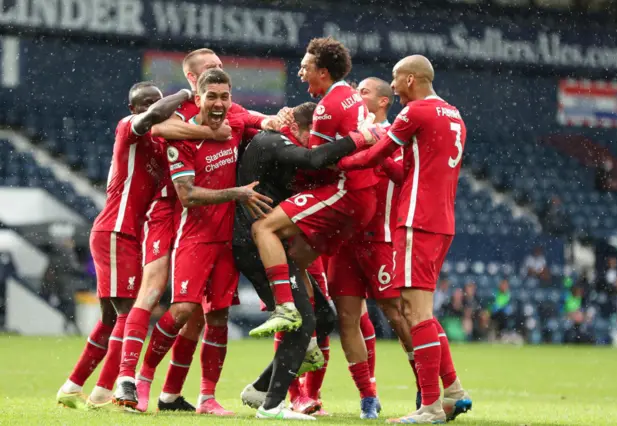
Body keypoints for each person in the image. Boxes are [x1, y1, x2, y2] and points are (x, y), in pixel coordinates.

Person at [117, 48, 280, 412]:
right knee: (181, 309)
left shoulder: (234, 118)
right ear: (194, 85)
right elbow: (186, 193)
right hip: (193, 233)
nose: (220, 101)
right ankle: (139, 379)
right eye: (212, 89)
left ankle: (205, 395)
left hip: (227, 237)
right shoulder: (181, 128)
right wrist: (235, 190)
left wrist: (274, 120)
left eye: (225, 90)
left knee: (217, 318)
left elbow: (255, 120)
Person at [249, 37, 383, 419]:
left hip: (344, 193)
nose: (301, 71)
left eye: (306, 66)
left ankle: (287, 311)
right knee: (298, 262)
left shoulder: (325, 109)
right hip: (363, 200)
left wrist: (286, 144)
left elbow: (318, 162)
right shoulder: (353, 99)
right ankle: (365, 395)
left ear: (323, 72)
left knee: (264, 229)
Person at [337, 55, 472, 423]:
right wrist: (377, 162)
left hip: (416, 221)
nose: (393, 88)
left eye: (396, 81)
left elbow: (375, 154)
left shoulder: (414, 113)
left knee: (415, 313)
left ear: (411, 79)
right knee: (420, 310)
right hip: (441, 219)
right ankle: (454, 388)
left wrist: (333, 161)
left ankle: (429, 406)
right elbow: (403, 171)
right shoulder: (454, 115)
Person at [56, 83, 195, 409]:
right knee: (129, 313)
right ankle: (105, 392)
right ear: (133, 109)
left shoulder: (161, 148)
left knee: (109, 318)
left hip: (127, 234)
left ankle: (72, 387)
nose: (152, 107)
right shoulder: (128, 129)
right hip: (116, 231)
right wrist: (188, 94)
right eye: (144, 104)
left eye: (155, 102)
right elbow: (156, 116)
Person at [329, 76, 422, 412]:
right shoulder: (347, 136)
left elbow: (403, 176)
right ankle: (367, 396)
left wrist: (373, 151)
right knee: (347, 318)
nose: (357, 97)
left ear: (384, 101)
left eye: (363, 92)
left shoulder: (397, 134)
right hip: (344, 242)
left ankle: (424, 387)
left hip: (381, 240)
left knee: (397, 315)